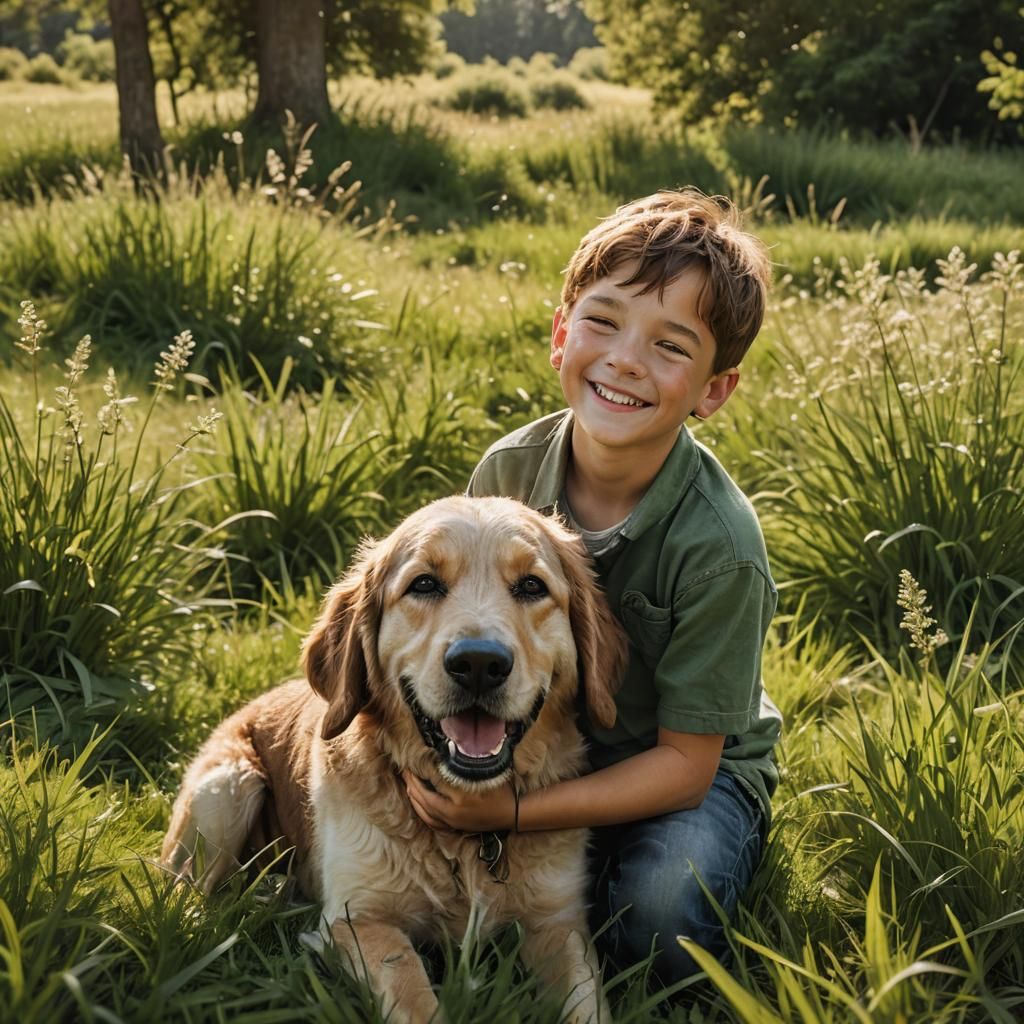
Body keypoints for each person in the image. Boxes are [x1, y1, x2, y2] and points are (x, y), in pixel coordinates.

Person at [403, 189, 782, 986]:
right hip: (538, 747)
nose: (625, 360)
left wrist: (511, 814)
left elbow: (686, 765)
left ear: (715, 390)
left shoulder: (722, 549)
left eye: (671, 346)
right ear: (561, 334)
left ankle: (614, 868)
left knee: (658, 921)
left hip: (677, 773)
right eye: (603, 322)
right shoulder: (507, 472)